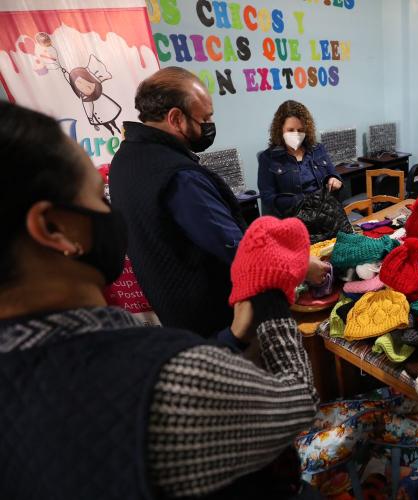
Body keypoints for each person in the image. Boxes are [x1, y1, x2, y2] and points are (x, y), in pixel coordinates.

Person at [0, 101, 319, 499]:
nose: (114, 214)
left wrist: (232, 341)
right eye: (100, 198)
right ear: (55, 229)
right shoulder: (161, 379)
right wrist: (270, 293)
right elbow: (296, 404)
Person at [109, 69, 326, 336]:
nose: (210, 124)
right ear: (176, 118)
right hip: (215, 318)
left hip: (175, 314)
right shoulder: (180, 177)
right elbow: (236, 247)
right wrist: (302, 266)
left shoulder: (123, 160)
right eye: (206, 118)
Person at [258, 100, 343, 217]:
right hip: (293, 218)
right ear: (280, 129)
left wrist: (335, 180)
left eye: (300, 130)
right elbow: (267, 197)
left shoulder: (317, 149)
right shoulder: (268, 158)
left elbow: (334, 174)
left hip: (325, 214)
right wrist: (299, 201)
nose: (296, 134)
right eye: (290, 130)